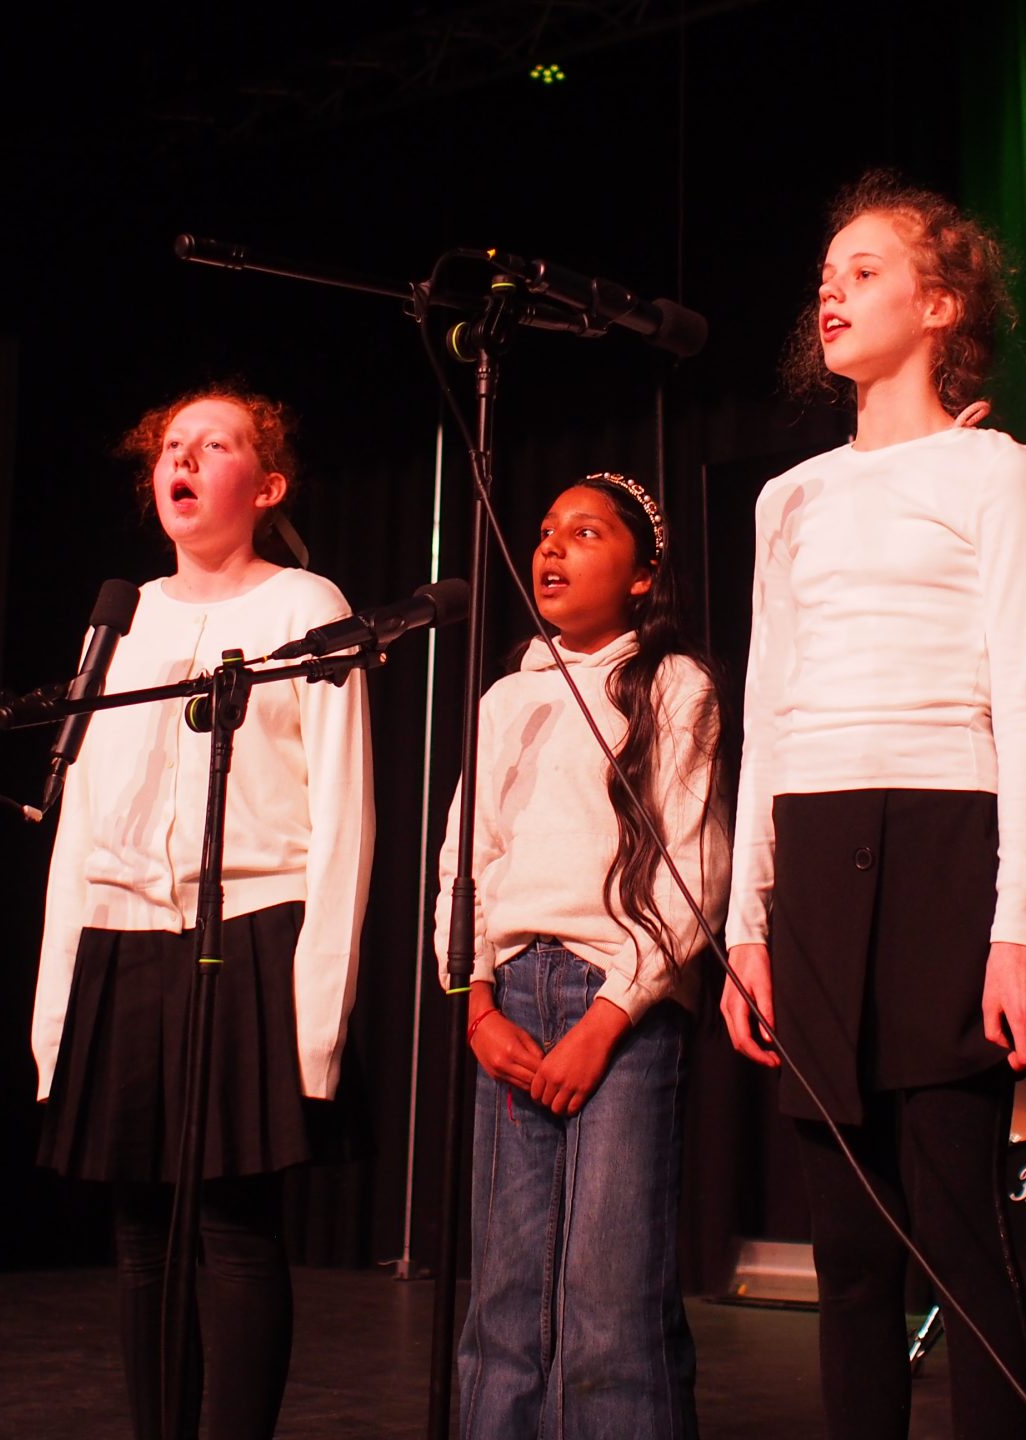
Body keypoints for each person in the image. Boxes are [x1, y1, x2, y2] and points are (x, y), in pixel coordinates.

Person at [718, 170, 1026, 1439]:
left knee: (960, 1239)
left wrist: (1017, 928)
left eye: (863, 272)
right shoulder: (788, 496)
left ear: (939, 303)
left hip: (941, 839)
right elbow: (766, 712)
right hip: (812, 852)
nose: (833, 293)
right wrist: (745, 925)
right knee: (850, 1254)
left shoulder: (992, 470)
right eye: (826, 276)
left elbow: (1022, 697)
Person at [32, 386, 376, 1440]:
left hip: (254, 928)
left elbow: (345, 811)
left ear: (266, 487)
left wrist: (320, 1008)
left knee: (233, 1225)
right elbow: (80, 820)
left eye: (213, 445)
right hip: (124, 939)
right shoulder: (121, 618)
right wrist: (54, 1011)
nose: (182, 460)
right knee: (140, 1234)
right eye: (170, 446)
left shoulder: (306, 606)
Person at [439, 473, 726, 1439]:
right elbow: (464, 859)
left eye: (587, 532)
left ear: (643, 575)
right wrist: (475, 1001)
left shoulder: (675, 687)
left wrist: (608, 1019)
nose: (552, 548)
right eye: (546, 530)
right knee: (506, 1298)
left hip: (621, 1006)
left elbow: (696, 869)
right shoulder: (506, 698)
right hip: (514, 996)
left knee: (610, 1299)